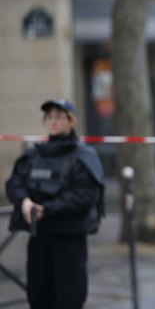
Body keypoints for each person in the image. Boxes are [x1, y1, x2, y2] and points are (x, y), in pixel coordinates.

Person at [6, 98, 105, 309]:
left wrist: (47, 209)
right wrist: (24, 201)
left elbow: (84, 194)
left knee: (69, 296)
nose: (54, 122)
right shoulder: (34, 155)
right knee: (38, 295)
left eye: (60, 117)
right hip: (39, 236)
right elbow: (14, 183)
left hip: (69, 238)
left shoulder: (83, 156)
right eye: (50, 117)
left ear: (71, 121)